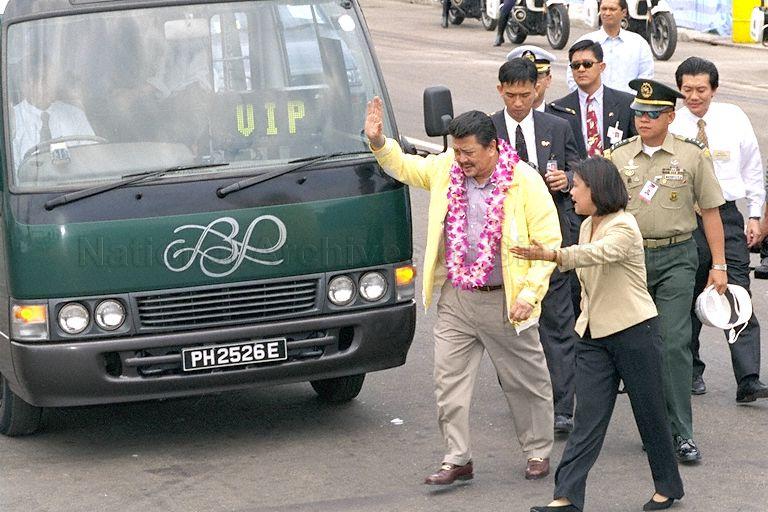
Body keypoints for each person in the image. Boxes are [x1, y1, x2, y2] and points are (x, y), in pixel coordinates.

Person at [365, 99, 562, 483]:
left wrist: (529, 295)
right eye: (457, 151)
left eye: (469, 152)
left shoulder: (524, 181)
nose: (462, 160)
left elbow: (548, 243)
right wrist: (378, 142)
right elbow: (407, 167)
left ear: (493, 147)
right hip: (457, 297)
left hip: (507, 300)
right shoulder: (446, 168)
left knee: (527, 382)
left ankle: (538, 451)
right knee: (448, 381)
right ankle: (457, 458)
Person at [514, 157, 685, 512]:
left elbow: (595, 255)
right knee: (587, 421)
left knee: (650, 414)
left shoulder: (624, 226)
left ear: (598, 190)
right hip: (593, 337)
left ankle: (668, 487)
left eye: (577, 186)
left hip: (635, 332)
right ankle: (566, 497)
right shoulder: (587, 224)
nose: (571, 192)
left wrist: (550, 254)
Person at [604, 79, 726, 464]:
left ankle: (681, 434)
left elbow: (711, 211)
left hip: (677, 257)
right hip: (629, 263)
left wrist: (719, 265)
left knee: (674, 343)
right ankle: (654, 428)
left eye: (652, 114)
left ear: (671, 117)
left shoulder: (691, 157)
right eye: (638, 113)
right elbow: (601, 213)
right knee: (639, 348)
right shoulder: (617, 156)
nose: (642, 120)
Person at [669, 57, 768, 403]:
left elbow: (753, 168)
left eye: (701, 90)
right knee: (688, 294)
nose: (694, 97)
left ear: (715, 89)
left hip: (726, 217)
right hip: (684, 218)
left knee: (737, 291)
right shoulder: (670, 122)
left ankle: (748, 378)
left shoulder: (734, 118)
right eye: (687, 90)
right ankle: (691, 370)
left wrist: (755, 215)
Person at [492, 58, 581, 434]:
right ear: (500, 91)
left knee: (558, 325)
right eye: (510, 95)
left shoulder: (557, 126)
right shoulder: (488, 129)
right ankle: (523, 401)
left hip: (550, 242)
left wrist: (569, 177)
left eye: (524, 95)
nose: (517, 102)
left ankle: (562, 407)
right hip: (505, 249)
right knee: (510, 330)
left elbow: (581, 165)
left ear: (537, 90)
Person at [549, 40, 636, 160]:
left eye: (587, 64)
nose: (581, 69)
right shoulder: (558, 109)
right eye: (575, 65)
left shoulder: (626, 104)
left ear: (601, 67)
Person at [565, 0, 653, 94]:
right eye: (604, 9)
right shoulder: (586, 42)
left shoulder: (638, 43)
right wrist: (588, 100)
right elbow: (572, 76)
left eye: (612, 9)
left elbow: (646, 77)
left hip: (629, 105)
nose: (607, 13)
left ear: (624, 12)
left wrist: (630, 101)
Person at [11, 73, 95, 169]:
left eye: (48, 81)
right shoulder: (13, 119)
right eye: (37, 81)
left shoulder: (74, 114)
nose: (44, 87)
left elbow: (92, 155)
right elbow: (13, 169)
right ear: (23, 86)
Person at [507, 46, 556, 112]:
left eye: (537, 76)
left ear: (548, 80)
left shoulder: (562, 120)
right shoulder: (494, 121)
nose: (531, 83)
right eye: (523, 77)